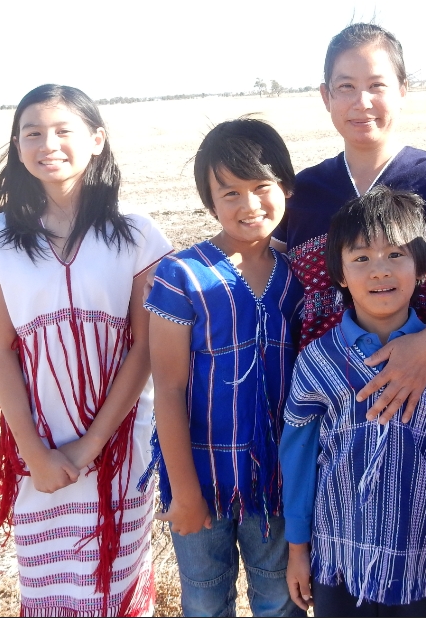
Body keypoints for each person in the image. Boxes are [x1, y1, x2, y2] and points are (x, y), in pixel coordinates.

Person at [274, 23, 426, 615]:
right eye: (345, 86)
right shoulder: (304, 193)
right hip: (338, 393)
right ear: (324, 97)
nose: (362, 101)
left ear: (403, 90)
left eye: (377, 84)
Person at [0, 84, 173, 616]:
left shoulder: (136, 234)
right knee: (50, 592)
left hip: (121, 442)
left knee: (118, 585)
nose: (47, 144)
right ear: (17, 146)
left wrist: (91, 444)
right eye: (32, 133)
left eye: (63, 130)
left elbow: (143, 347)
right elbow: (1, 351)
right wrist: (35, 453)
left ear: (96, 140)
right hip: (39, 444)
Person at [279, 187, 426, 617]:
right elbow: (298, 460)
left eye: (395, 254)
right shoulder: (319, 361)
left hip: (418, 562)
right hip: (336, 560)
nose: (379, 271)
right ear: (339, 274)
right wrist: (297, 548)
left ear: (421, 266)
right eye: (361, 258)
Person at [140, 118, 305, 617]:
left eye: (261, 187)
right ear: (209, 201)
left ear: (286, 186)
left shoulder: (298, 274)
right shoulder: (181, 275)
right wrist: (185, 492)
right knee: (205, 599)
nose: (249, 204)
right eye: (229, 192)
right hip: (202, 478)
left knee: (279, 599)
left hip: (277, 483)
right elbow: (169, 388)